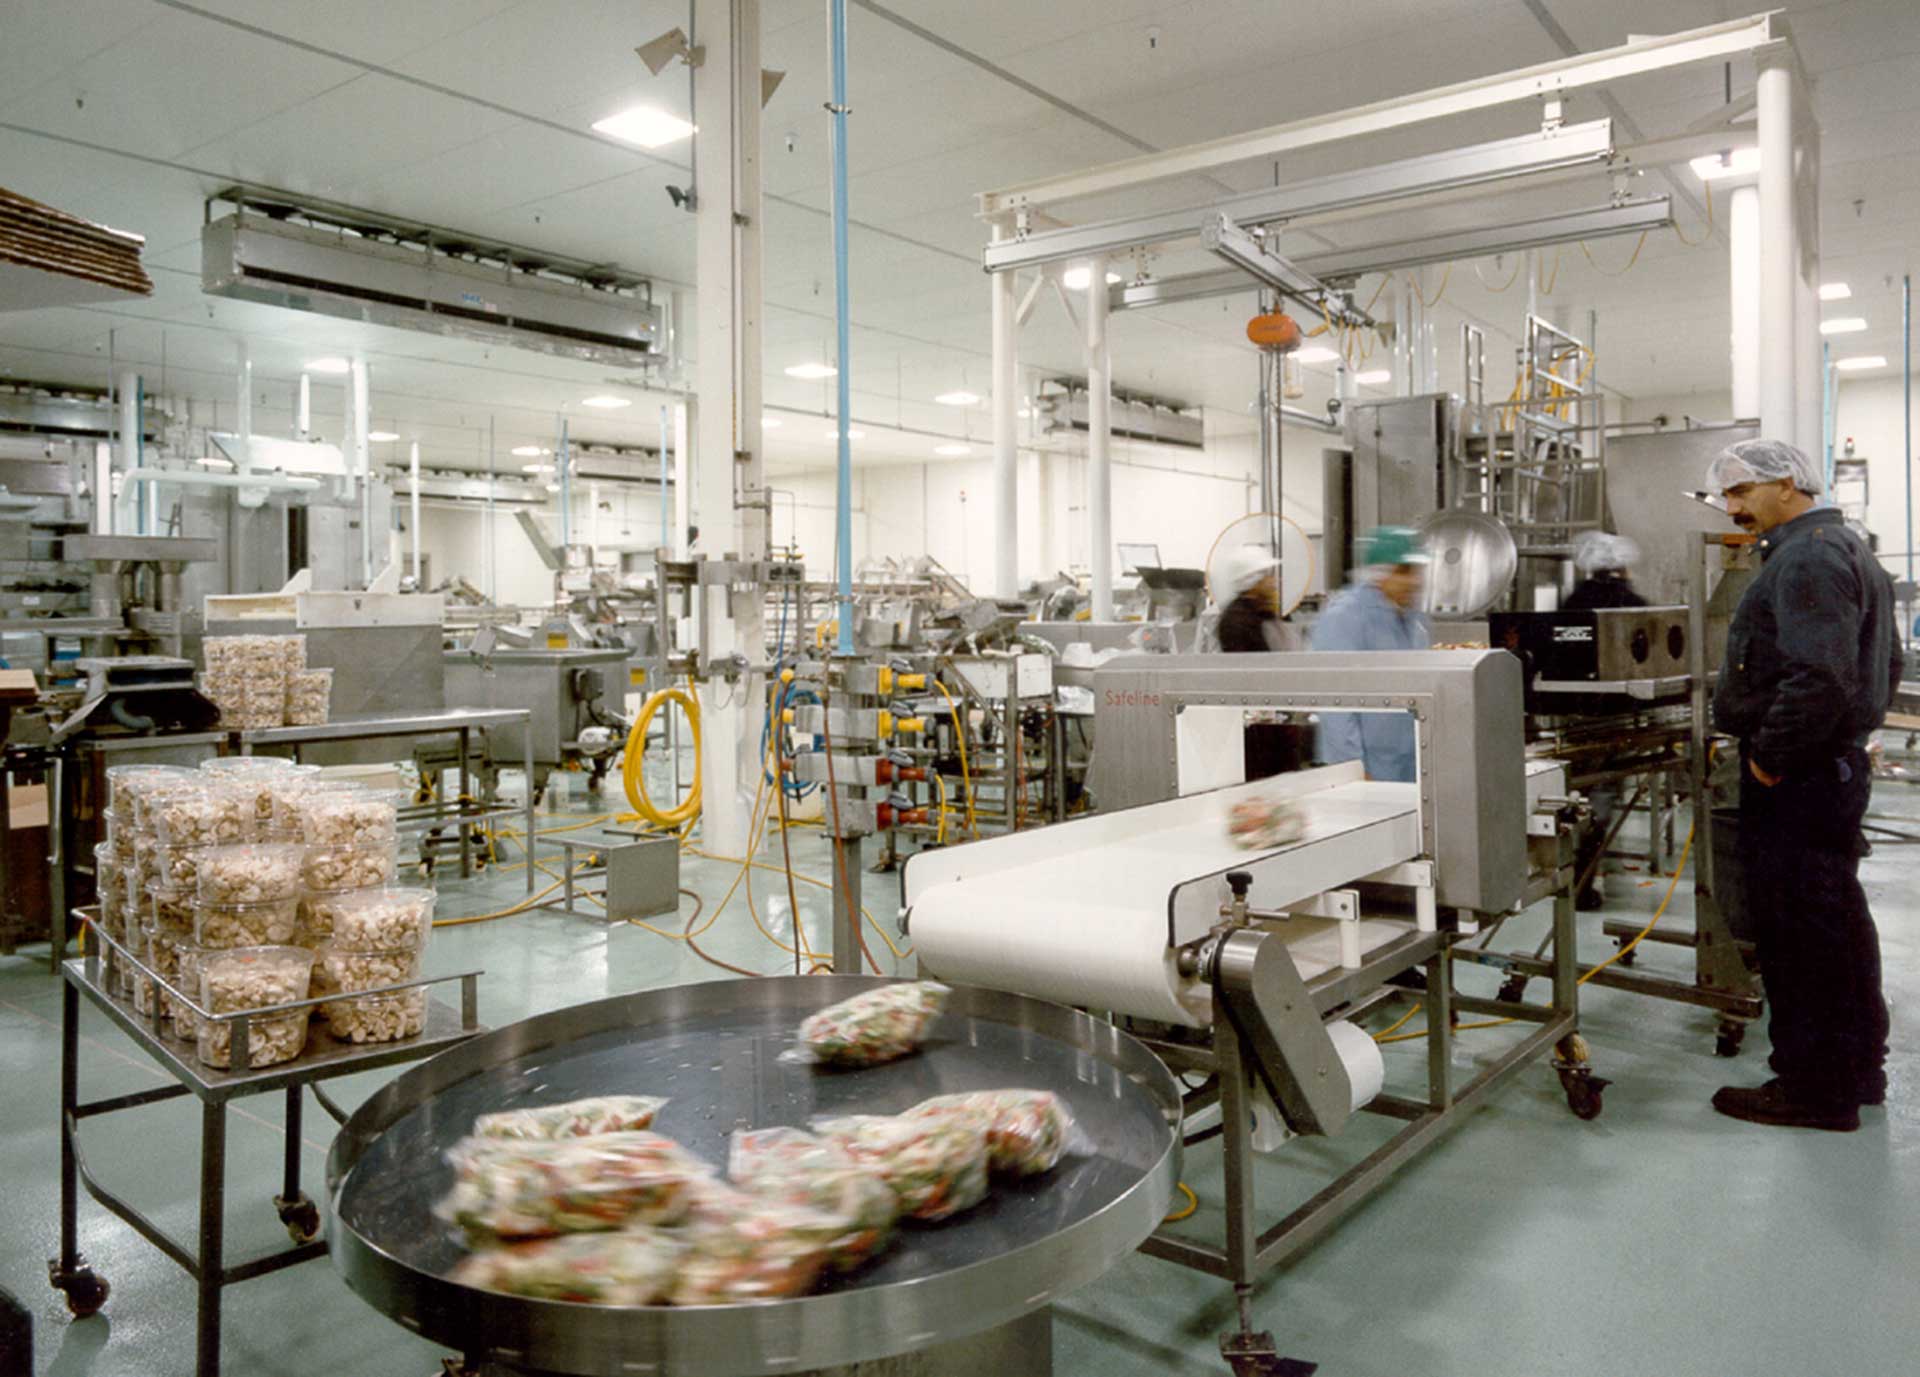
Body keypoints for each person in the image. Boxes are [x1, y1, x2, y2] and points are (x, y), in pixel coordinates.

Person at [1708, 438, 1900, 1132]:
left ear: (1787, 483)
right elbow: (1888, 660)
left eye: (1741, 492)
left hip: (1799, 773)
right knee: (1837, 922)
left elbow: (1819, 676)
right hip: (1832, 765)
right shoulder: (1847, 550)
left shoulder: (1807, 557)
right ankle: (1857, 1069)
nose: (1733, 507)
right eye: (1726, 496)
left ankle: (1814, 1088)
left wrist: (1770, 755)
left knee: (1799, 933)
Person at [1564, 531, 1650, 908]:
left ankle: (1571, 877)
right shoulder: (1631, 603)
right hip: (1618, 720)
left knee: (1575, 798)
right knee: (1601, 800)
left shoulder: (1571, 602)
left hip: (1573, 717)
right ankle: (1584, 883)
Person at [1310, 526, 1430, 781]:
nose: (1415, 581)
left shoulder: (1412, 621)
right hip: (1369, 770)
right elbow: (1336, 704)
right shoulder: (1345, 618)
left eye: (1416, 572)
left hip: (1409, 766)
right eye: (1404, 572)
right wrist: (1352, 771)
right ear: (1380, 573)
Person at [1214, 544, 1301, 652]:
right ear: (1253, 581)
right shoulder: (1237, 621)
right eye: (1267, 576)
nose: (1273, 582)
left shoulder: (1264, 610)